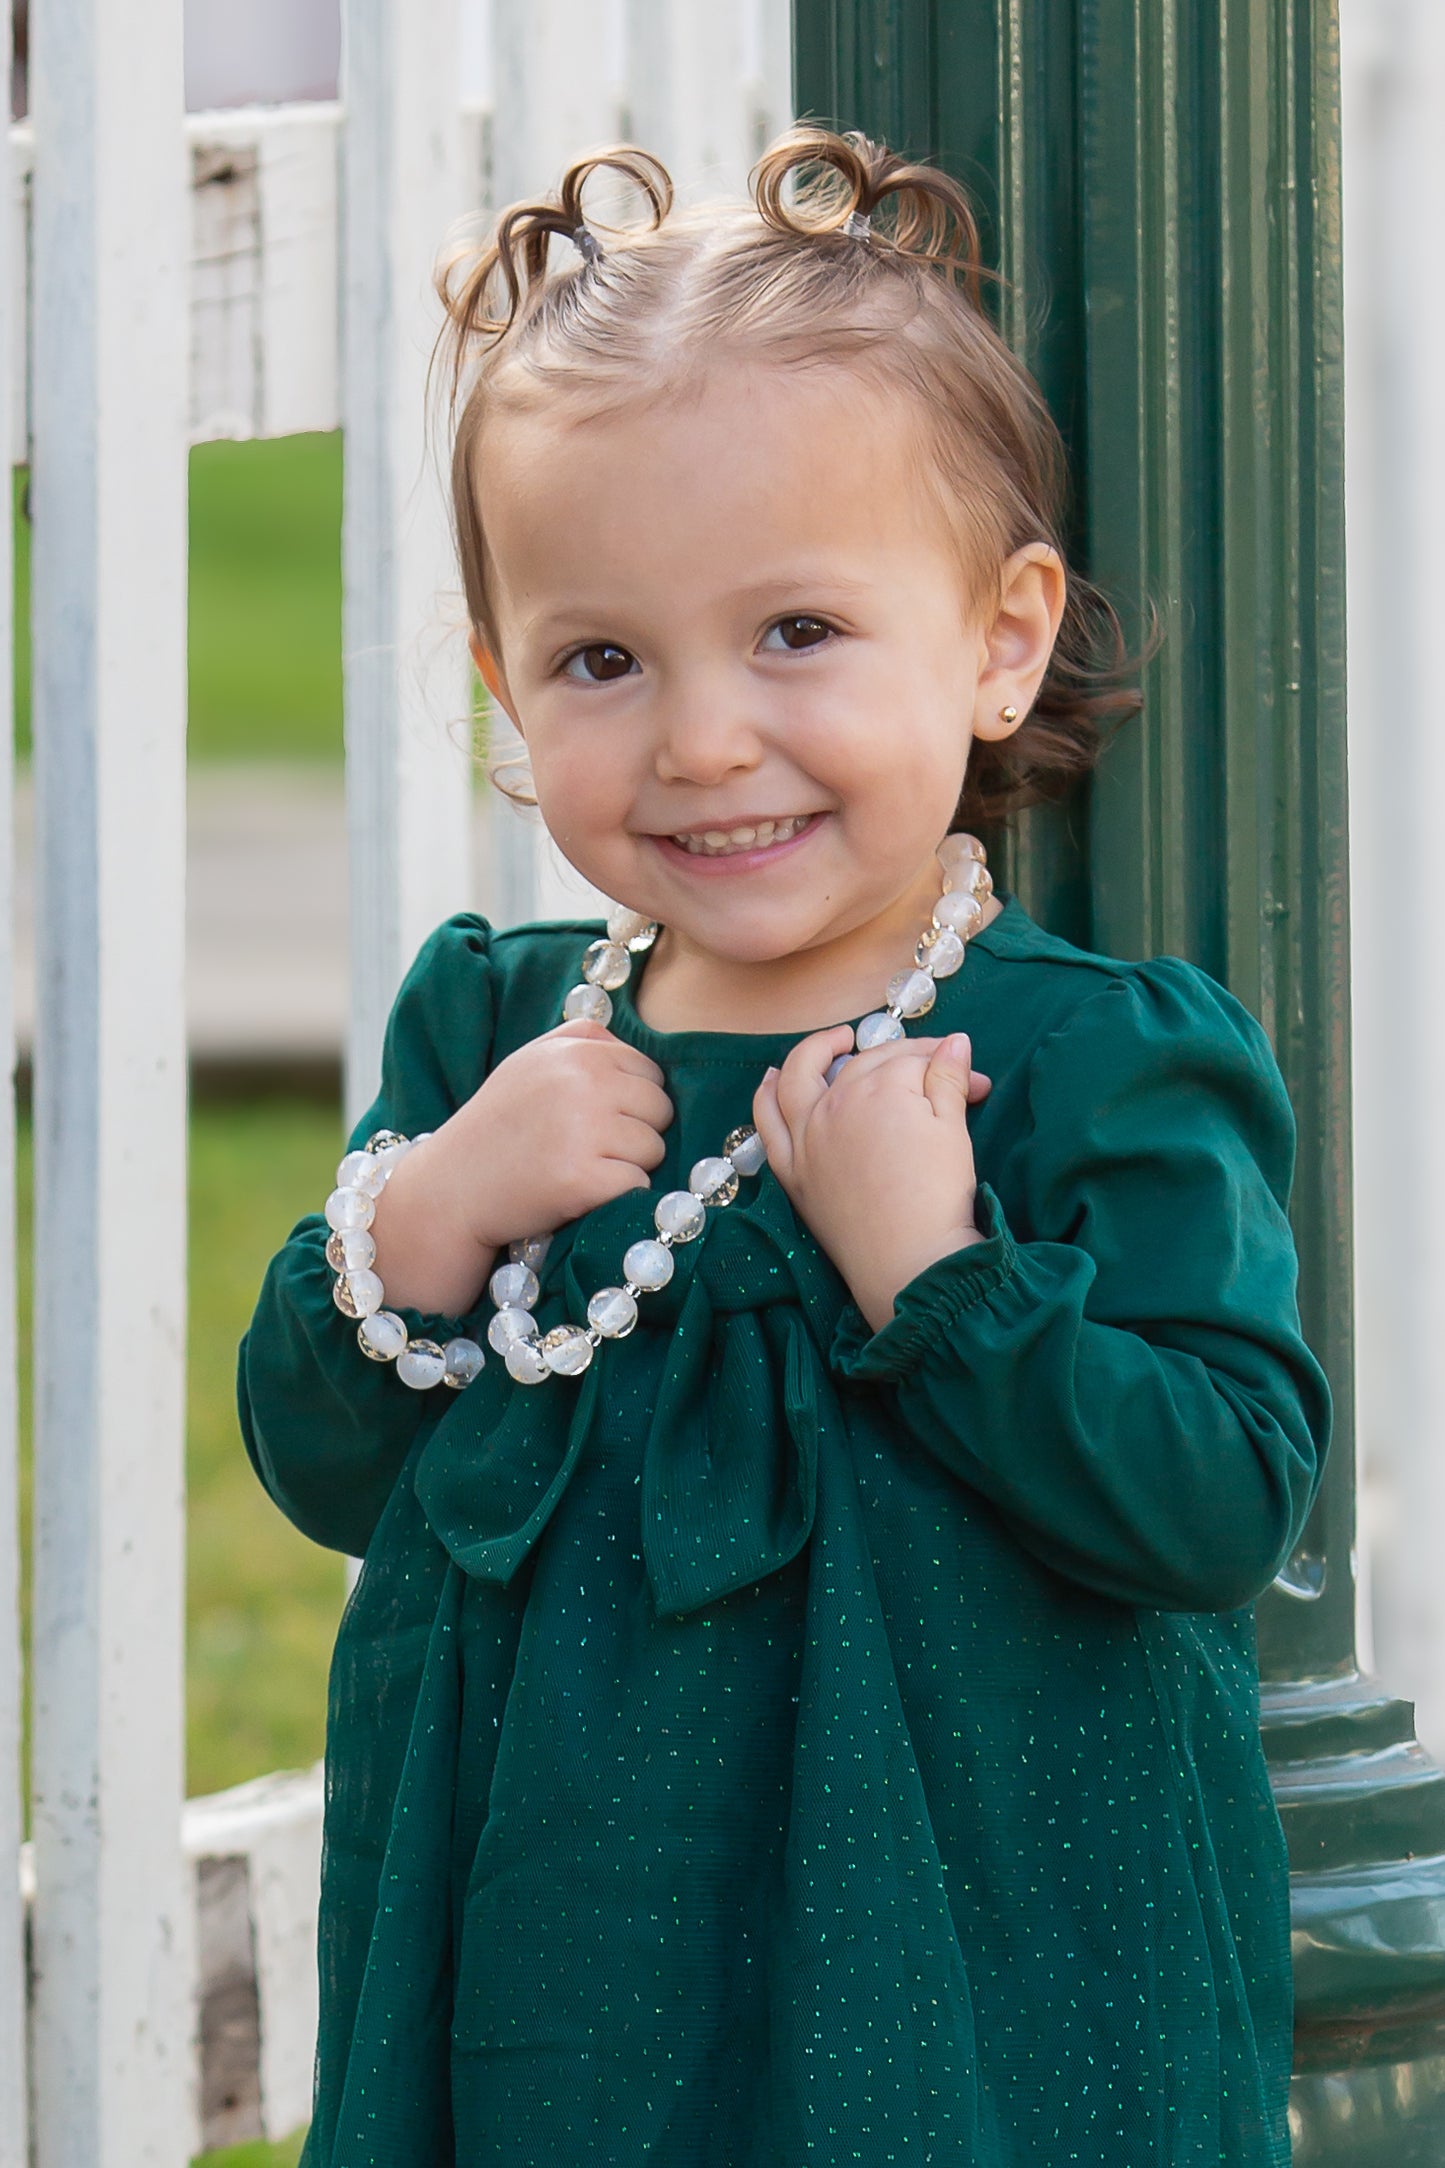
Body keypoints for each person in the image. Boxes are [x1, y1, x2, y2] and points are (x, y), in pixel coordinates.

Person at [239, 125, 1331, 2167]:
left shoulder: (1082, 1058)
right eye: (600, 659)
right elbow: (323, 1465)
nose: (704, 737)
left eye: (798, 634)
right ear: (504, 689)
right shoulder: (494, 1027)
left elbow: (1222, 1498)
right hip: (558, 1968)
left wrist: (946, 1284)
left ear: (1002, 639)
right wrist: (441, 1208)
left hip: (980, 1986)